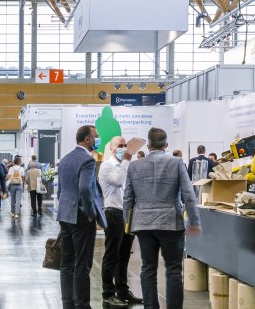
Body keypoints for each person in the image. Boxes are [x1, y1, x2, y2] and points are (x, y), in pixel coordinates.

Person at [124, 127, 201, 309]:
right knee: (173, 270)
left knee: (148, 269)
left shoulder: (134, 166)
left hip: (143, 225)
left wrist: (127, 225)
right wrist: (194, 221)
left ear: (148, 145)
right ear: (166, 145)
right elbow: (188, 194)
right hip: (170, 224)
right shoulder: (176, 163)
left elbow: (128, 198)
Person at [57, 125, 107, 309]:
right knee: (82, 264)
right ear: (87, 139)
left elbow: (61, 188)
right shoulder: (87, 160)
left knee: (66, 263)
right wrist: (90, 213)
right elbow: (85, 189)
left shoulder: (65, 159)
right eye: (96, 136)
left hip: (65, 214)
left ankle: (68, 304)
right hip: (80, 216)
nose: (98, 139)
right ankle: (83, 305)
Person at [98, 136, 142, 307]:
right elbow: (118, 181)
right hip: (113, 213)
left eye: (125, 145)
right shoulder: (107, 166)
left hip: (128, 214)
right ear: (113, 149)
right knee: (111, 255)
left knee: (124, 256)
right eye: (121, 146)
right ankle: (108, 293)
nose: (124, 148)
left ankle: (122, 291)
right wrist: (126, 162)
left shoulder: (126, 166)